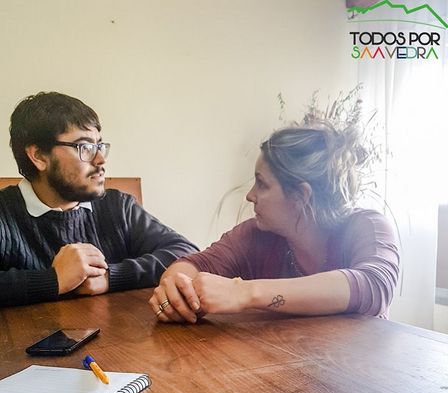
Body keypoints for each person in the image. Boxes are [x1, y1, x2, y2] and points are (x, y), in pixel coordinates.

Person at [149, 117, 399, 323]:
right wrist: (177, 289)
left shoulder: (367, 227)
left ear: (301, 195)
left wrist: (244, 293)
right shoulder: (256, 234)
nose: (250, 195)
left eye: (262, 184)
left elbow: (373, 286)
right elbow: (195, 264)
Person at [0, 91, 198, 308]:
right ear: (38, 156)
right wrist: (54, 280)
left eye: (99, 146)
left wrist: (110, 277)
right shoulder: (4, 212)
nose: (101, 159)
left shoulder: (118, 206)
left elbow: (185, 252)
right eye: (84, 147)